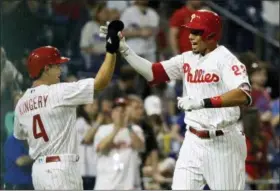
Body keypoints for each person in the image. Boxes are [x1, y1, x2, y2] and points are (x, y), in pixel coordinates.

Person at [100, 10, 252, 189]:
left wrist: (203, 102)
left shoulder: (226, 60)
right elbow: (153, 72)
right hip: (193, 141)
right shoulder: (187, 58)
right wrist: (125, 50)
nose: (191, 36)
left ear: (211, 34)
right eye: (191, 31)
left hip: (223, 141)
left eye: (197, 32)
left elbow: (243, 95)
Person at [13, 20, 123, 190]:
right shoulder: (59, 92)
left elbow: (22, 137)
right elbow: (101, 82)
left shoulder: (21, 103)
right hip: (60, 169)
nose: (61, 70)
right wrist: (111, 50)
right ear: (46, 68)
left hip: (39, 171)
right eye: (57, 66)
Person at [94, 97, 145, 190]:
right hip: (106, 186)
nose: (121, 113)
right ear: (112, 113)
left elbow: (140, 147)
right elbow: (100, 148)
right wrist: (117, 128)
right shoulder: (103, 129)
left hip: (130, 186)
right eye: (117, 110)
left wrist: (128, 126)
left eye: (124, 110)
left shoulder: (135, 130)